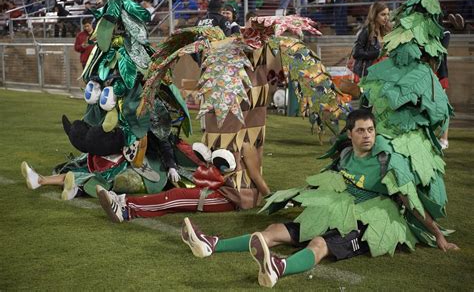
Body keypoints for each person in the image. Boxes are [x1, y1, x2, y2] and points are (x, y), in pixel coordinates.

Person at [181, 109, 459, 288]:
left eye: (371, 130)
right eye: (360, 130)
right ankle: (212, 245)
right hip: (336, 209)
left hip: (369, 218)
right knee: (274, 231)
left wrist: (439, 236)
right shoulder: (346, 156)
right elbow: (329, 183)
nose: (367, 136)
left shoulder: (386, 164)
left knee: (320, 243)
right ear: (349, 134)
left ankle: (279, 267)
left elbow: (410, 202)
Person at [96, 142, 271, 222]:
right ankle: (124, 202)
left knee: (175, 196)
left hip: (229, 198)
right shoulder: (220, 135)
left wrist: (273, 200)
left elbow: (257, 178)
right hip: (213, 189)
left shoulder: (246, 145)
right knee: (174, 199)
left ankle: (126, 209)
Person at [352, 1, 391, 78]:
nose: (386, 18)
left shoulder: (387, 31)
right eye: (383, 14)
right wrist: (378, 53)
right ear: (375, 15)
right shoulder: (366, 32)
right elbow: (357, 53)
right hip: (368, 74)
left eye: (388, 14)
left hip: (383, 72)